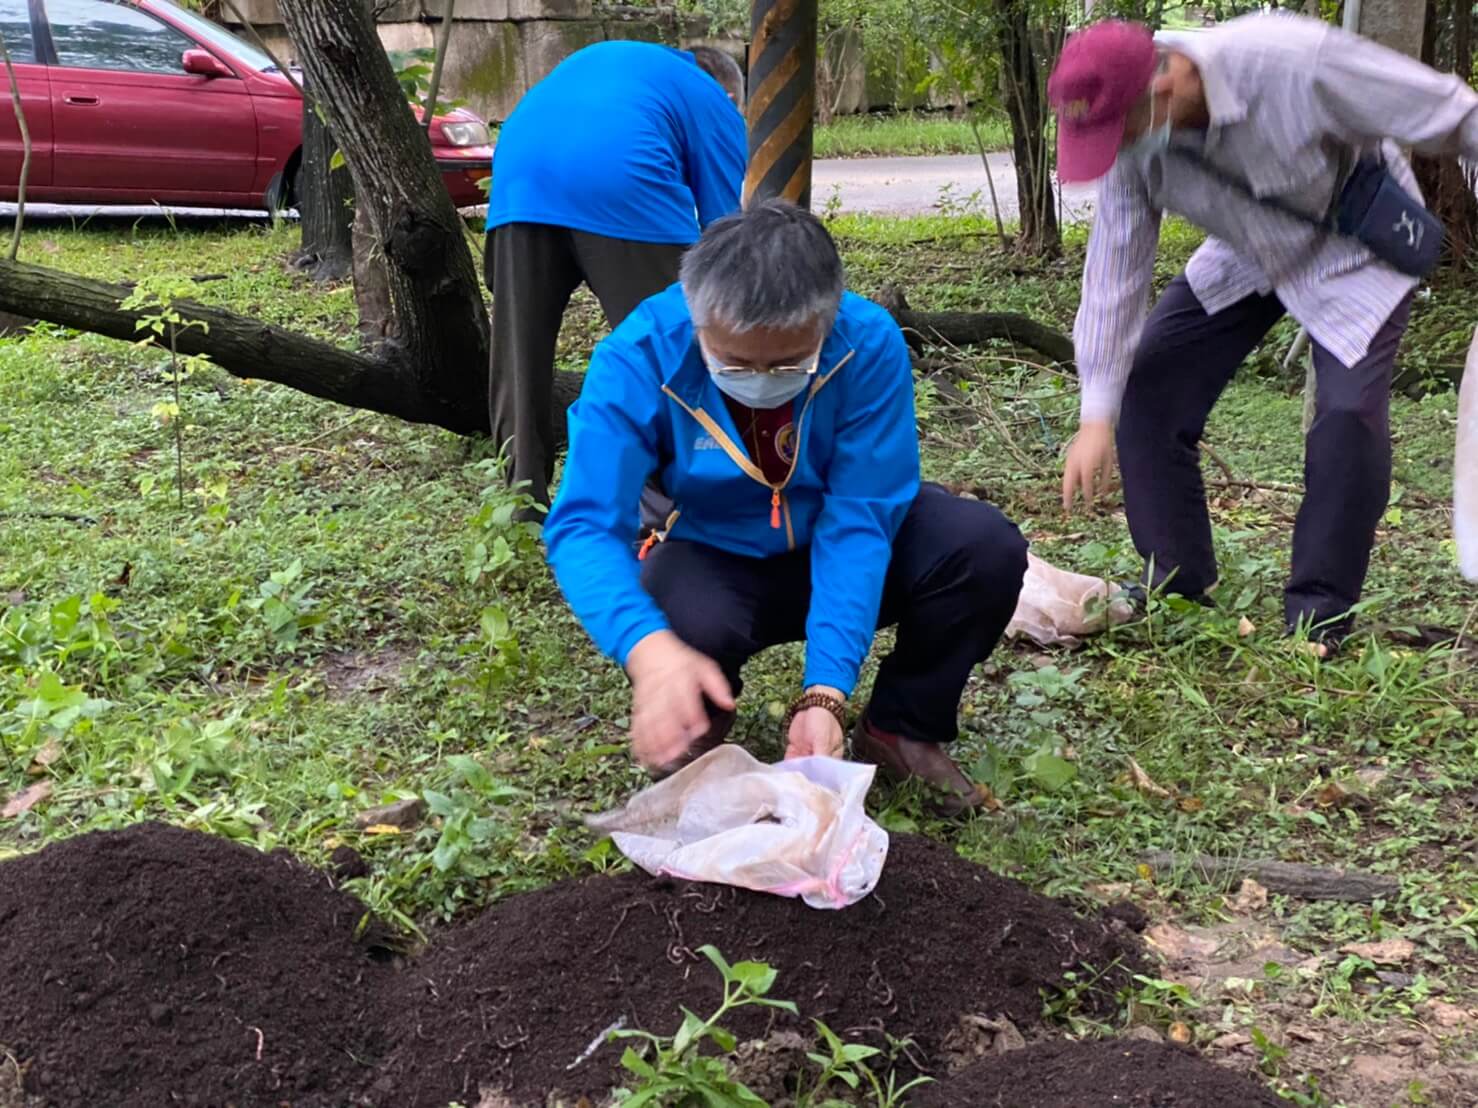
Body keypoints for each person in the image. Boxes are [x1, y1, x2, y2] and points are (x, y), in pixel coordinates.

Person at [544, 201, 1029, 816]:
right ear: (697, 318)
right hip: (715, 549)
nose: (761, 378)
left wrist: (826, 691)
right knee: (671, 611)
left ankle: (900, 729)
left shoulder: (868, 342)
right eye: (735, 363)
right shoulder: (640, 355)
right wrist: (649, 649)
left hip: (841, 536)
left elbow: (859, 520)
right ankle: (698, 719)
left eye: (786, 364)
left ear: (826, 326)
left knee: (981, 547)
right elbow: (584, 525)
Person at [1048, 13, 1478, 648]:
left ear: (1163, 85)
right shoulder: (1133, 148)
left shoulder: (1289, 60)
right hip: (1247, 254)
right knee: (1152, 385)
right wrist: (1094, 414)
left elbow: (1454, 112)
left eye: (1123, 129)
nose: (1119, 149)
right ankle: (1177, 586)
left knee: (1347, 418)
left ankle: (1320, 617)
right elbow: (1115, 268)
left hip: (1352, 251)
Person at [484, 40, 747, 510]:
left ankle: (520, 504)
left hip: (518, 177)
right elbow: (724, 235)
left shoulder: (622, 64)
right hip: (623, 178)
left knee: (518, 358)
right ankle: (676, 498)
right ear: (730, 94)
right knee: (671, 344)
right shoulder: (711, 98)